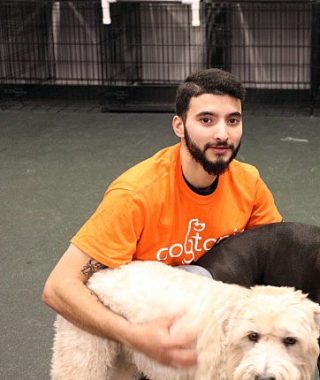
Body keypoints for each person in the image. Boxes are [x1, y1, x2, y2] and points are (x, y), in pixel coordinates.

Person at [42, 68, 282, 368]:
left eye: (233, 120)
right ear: (179, 126)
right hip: (142, 332)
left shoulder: (249, 183)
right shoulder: (136, 194)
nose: (222, 133)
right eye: (206, 120)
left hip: (206, 326)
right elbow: (59, 287)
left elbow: (277, 260)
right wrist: (135, 337)